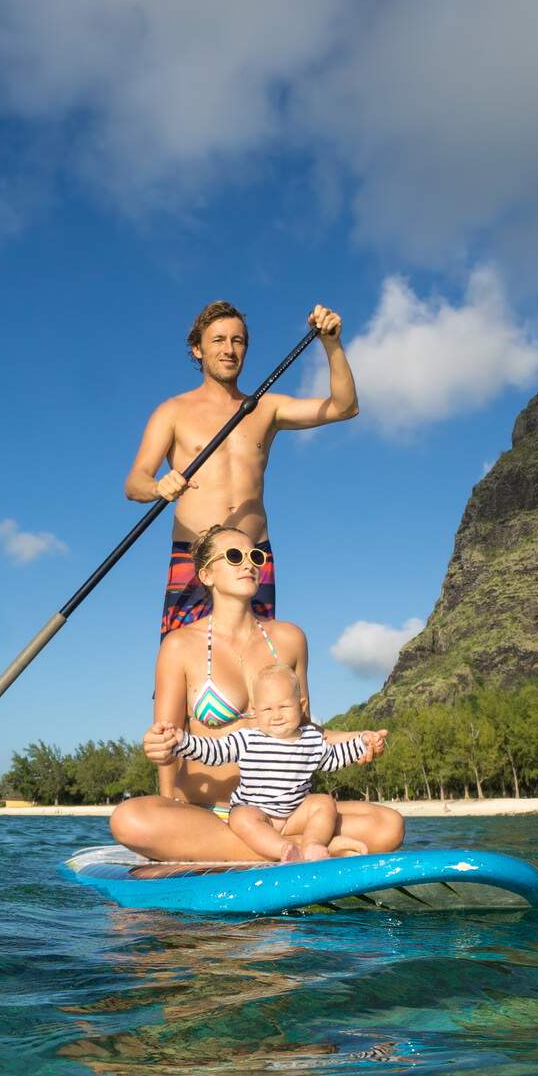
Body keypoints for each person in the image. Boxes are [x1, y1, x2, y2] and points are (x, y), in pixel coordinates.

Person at [109, 526, 405, 861]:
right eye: (234, 557)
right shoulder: (179, 646)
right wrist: (167, 804)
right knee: (130, 819)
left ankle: (275, 850)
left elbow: (305, 730)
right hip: (212, 814)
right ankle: (308, 849)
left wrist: (359, 739)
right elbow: (167, 740)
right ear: (206, 575)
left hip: (287, 812)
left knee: (388, 825)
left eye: (255, 556)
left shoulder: (291, 639)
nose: (249, 564)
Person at [125, 300, 360, 635]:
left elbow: (344, 407)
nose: (229, 349)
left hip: (253, 555)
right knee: (183, 663)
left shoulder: (267, 408)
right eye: (218, 340)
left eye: (237, 340)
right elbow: (134, 483)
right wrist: (157, 487)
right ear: (197, 349)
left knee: (257, 663)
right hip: (195, 555)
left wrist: (331, 343)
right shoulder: (172, 411)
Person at [146, 663, 386, 862]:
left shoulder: (312, 740)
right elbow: (213, 751)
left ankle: (312, 845)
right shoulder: (248, 739)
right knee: (240, 817)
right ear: (255, 711)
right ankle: (284, 850)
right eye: (267, 709)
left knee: (324, 803)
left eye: (284, 706)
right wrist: (181, 741)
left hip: (294, 815)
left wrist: (363, 743)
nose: (276, 715)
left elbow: (335, 758)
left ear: (301, 707)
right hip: (258, 813)